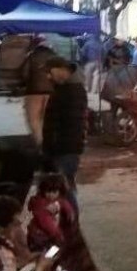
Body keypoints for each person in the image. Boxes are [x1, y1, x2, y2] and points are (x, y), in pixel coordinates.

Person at [41, 57, 87, 190]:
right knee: (63, 187)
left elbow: (69, 124)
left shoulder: (71, 90)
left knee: (63, 188)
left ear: (60, 69)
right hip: (64, 147)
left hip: (65, 149)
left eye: (50, 72)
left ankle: (71, 211)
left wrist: (51, 147)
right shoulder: (65, 87)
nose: (48, 76)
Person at [21, 37, 56, 149]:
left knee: (34, 120)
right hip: (52, 92)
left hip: (33, 91)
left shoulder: (31, 56)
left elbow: (25, 74)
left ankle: (40, 143)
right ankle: (50, 142)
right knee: (49, 119)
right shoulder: (55, 57)